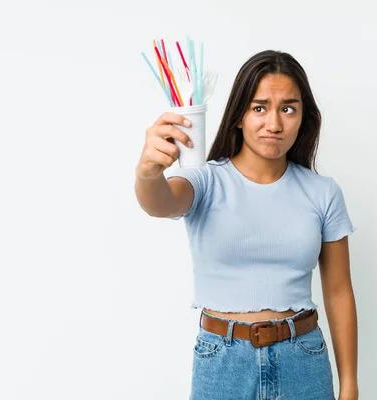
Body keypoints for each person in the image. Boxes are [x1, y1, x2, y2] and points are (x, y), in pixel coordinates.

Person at [134, 50, 359, 400]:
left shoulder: (322, 192)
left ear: (303, 118)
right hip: (223, 362)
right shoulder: (207, 182)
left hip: (303, 359)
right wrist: (147, 172)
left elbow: (339, 291)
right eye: (259, 108)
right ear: (238, 115)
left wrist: (349, 385)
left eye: (288, 108)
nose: (274, 123)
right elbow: (160, 203)